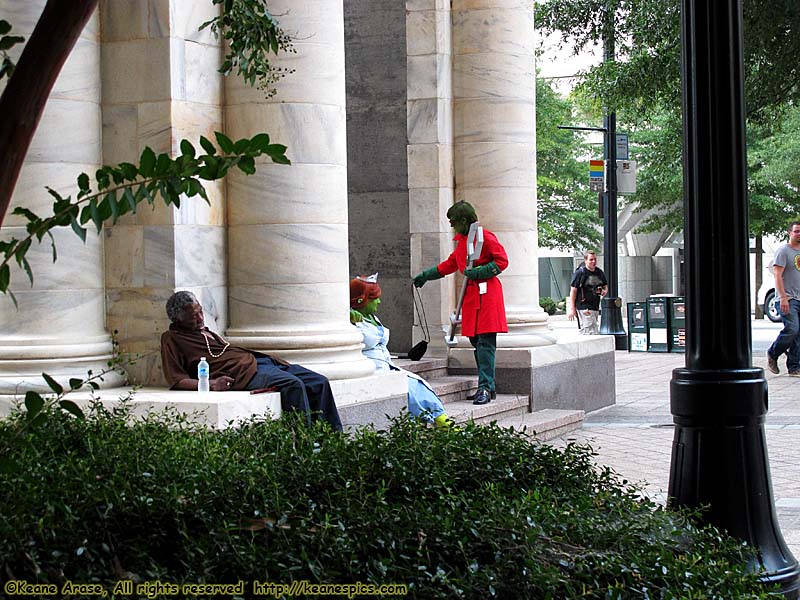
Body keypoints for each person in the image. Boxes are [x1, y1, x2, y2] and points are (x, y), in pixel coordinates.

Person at [160, 291, 343, 431]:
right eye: (193, 317)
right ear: (178, 319)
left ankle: (332, 442)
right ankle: (305, 446)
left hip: (260, 362)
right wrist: (212, 384)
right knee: (293, 385)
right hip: (243, 374)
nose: (200, 318)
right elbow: (176, 380)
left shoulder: (204, 330)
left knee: (319, 381)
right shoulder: (172, 338)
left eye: (200, 312)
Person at [413, 201, 508, 406]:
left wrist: (480, 272)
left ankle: (485, 386)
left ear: (464, 220)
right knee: (476, 342)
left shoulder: (485, 237)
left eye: (454, 222)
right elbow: (450, 264)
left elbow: (501, 261)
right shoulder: (464, 241)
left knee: (485, 343)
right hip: (472, 297)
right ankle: (487, 385)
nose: (452, 226)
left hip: (488, 295)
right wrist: (426, 276)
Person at [349, 274, 451, 428]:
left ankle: (445, 424)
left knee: (419, 385)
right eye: (374, 297)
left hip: (387, 366)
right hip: (372, 370)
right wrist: (346, 314)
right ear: (361, 299)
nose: (379, 301)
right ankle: (444, 426)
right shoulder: (349, 320)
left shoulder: (373, 317)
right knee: (411, 390)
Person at [766, 220, 800, 377]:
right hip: (788, 298)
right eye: (796, 231)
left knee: (798, 334)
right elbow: (778, 276)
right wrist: (783, 298)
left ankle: (794, 367)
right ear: (790, 233)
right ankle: (773, 353)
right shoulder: (783, 251)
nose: (799, 234)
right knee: (792, 329)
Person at [567, 250, 608, 335]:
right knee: (590, 330)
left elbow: (605, 285)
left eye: (595, 259)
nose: (593, 262)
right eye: (591, 259)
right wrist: (572, 308)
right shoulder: (580, 273)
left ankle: (584, 346)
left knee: (591, 328)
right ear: (585, 260)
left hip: (595, 306)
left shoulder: (599, 272)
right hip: (584, 306)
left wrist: (604, 291)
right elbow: (573, 291)